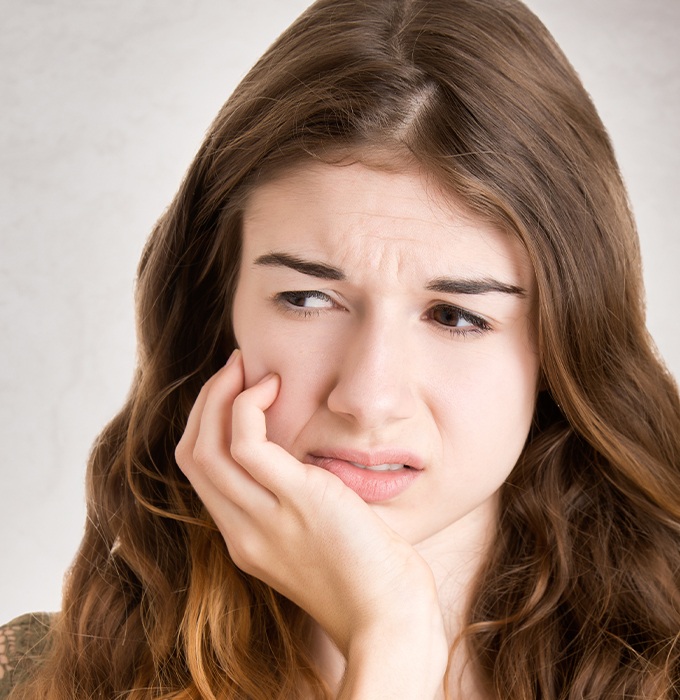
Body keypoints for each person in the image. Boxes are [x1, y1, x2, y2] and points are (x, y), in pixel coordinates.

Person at [2, 0, 679, 697]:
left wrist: (387, 633)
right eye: (306, 300)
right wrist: (391, 634)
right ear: (218, 307)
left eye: (455, 315)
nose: (367, 396)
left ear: (562, 345)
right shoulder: (39, 677)